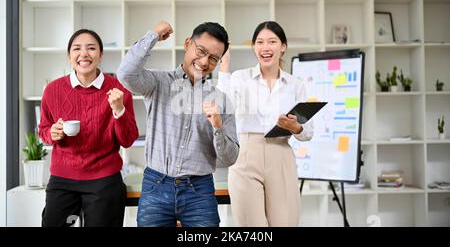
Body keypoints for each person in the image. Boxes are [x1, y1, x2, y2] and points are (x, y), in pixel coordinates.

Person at [117, 21, 239, 227]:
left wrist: (217, 127)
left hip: (199, 191)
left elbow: (230, 158)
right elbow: (126, 74)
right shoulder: (158, 82)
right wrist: (153, 35)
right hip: (156, 186)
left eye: (213, 58)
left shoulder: (221, 101)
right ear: (187, 44)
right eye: (200, 51)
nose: (204, 61)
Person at [217, 21, 314, 227]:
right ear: (254, 47)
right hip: (244, 154)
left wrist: (294, 127)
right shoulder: (239, 78)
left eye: (272, 41)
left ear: (283, 46)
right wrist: (224, 67)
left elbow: (307, 133)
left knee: (285, 222)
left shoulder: (295, 85)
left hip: (281, 155)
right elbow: (221, 107)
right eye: (259, 42)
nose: (265, 47)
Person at [39, 29, 139, 227]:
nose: (84, 54)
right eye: (77, 49)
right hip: (63, 179)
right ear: (69, 56)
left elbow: (128, 140)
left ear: (100, 55)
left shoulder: (119, 91)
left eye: (91, 48)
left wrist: (118, 110)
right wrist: (52, 133)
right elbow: (43, 130)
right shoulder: (52, 90)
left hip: (104, 180)